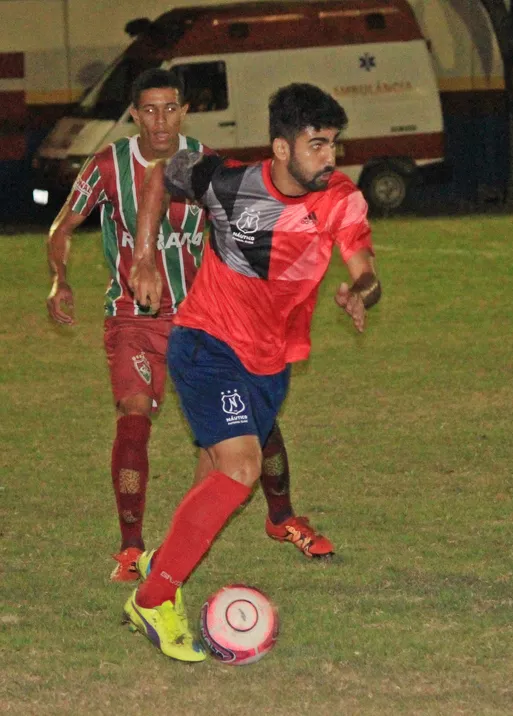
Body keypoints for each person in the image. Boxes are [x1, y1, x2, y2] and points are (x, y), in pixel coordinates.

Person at [123, 83, 380, 661]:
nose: (330, 157)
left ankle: (167, 568)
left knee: (213, 474)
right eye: (317, 144)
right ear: (282, 149)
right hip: (206, 343)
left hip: (272, 364)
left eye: (334, 144)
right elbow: (160, 174)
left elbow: (365, 266)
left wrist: (362, 291)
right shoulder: (227, 181)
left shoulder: (340, 199)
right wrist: (144, 254)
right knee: (240, 469)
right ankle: (153, 596)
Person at [45, 69, 334, 583]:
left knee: (256, 427)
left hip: (207, 320)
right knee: (134, 417)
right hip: (136, 317)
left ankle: (282, 517)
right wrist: (59, 278)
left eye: (170, 108)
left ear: (184, 111)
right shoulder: (109, 165)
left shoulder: (203, 161)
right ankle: (132, 550)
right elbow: (62, 226)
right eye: (149, 110)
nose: (161, 120)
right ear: (134, 115)